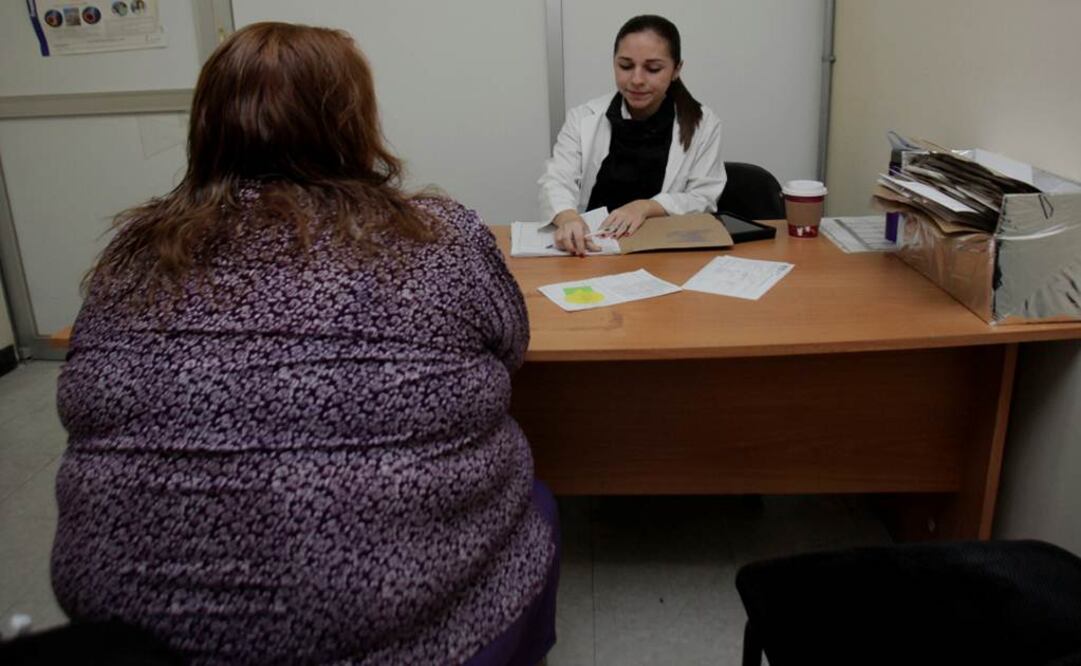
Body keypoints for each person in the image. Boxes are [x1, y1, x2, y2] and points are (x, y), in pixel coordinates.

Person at [51, 22, 559, 666]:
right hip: (396, 626)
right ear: (353, 122)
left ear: (207, 125)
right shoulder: (436, 238)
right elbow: (509, 347)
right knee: (540, 504)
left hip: (127, 632)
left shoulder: (131, 256)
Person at [538, 14, 727, 256]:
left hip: (665, 254)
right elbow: (556, 179)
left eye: (653, 69)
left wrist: (647, 207)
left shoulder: (704, 123)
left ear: (676, 70)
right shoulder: (583, 118)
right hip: (592, 251)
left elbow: (704, 197)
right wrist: (567, 217)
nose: (637, 80)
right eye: (625, 66)